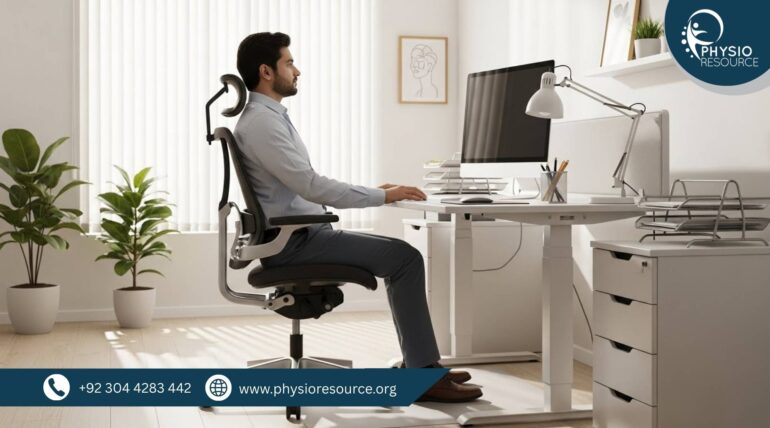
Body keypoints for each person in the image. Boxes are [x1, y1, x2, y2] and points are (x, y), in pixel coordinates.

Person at [233, 32, 482, 403]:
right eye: (289, 62)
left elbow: (303, 185)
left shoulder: (263, 118)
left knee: (402, 257)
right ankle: (423, 373)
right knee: (406, 259)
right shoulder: (262, 123)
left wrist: (374, 189)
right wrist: (383, 195)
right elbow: (312, 186)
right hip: (295, 242)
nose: (297, 70)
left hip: (297, 235)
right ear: (266, 71)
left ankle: (421, 364)